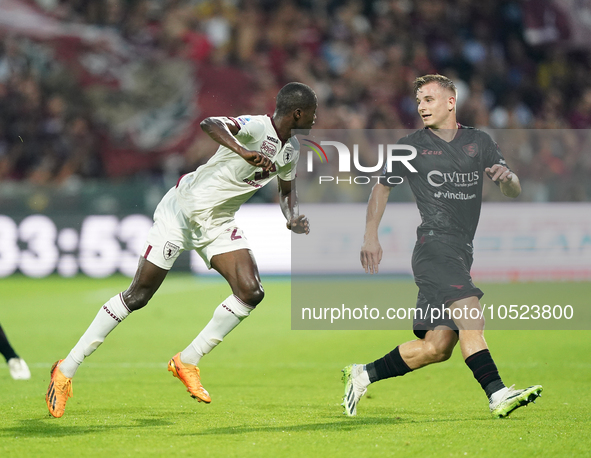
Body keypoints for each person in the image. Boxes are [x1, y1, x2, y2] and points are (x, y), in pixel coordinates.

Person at [46, 82, 317, 418]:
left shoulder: (291, 151)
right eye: (313, 114)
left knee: (251, 291)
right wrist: (242, 151)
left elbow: (286, 191)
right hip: (181, 212)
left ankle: (188, 360)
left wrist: (292, 218)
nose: (316, 120)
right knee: (138, 296)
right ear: (298, 113)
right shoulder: (257, 126)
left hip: (217, 221)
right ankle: (65, 369)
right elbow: (210, 124)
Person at [341, 74, 542, 418]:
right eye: (418, 101)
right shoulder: (411, 145)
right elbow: (382, 187)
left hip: (461, 251)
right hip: (434, 248)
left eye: (429, 99)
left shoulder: (479, 142)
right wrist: (370, 235)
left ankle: (363, 374)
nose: (421, 107)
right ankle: (498, 394)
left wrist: (508, 179)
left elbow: (514, 189)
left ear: (451, 102)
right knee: (471, 317)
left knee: (436, 347)